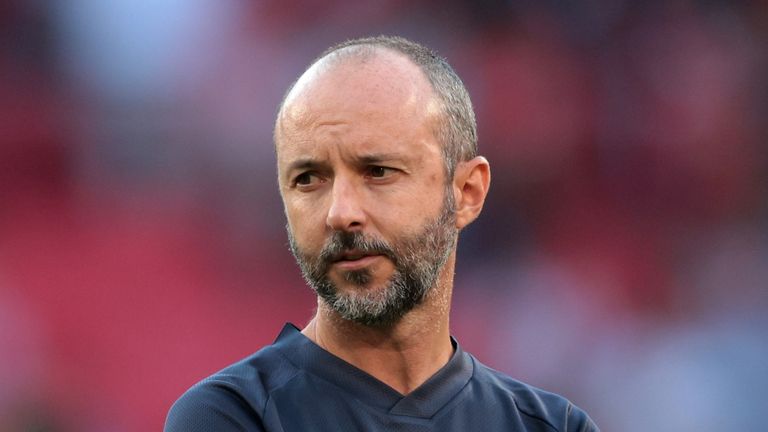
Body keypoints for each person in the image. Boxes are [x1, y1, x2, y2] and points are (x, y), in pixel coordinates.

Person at [164, 35, 599, 432]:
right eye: (309, 179)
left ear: (467, 192)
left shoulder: (551, 426)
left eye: (378, 172)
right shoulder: (229, 416)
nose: (340, 213)